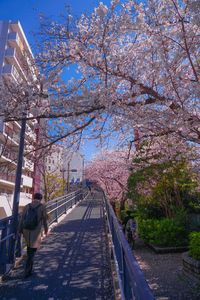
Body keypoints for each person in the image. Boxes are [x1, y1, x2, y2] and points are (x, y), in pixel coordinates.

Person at [18, 193, 48, 278]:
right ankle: (27, 272)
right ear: (40, 199)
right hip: (35, 232)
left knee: (29, 249)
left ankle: (28, 269)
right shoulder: (42, 207)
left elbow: (22, 219)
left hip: (26, 231)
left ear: (33, 198)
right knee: (32, 253)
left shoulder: (27, 206)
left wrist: (19, 230)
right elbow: (45, 220)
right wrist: (46, 231)